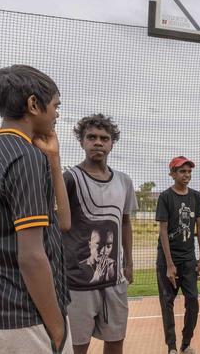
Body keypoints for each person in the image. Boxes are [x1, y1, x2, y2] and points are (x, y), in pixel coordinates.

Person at [0, 65, 73, 353]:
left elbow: (63, 222)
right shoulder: (24, 156)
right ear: (33, 104)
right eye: (55, 105)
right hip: (28, 315)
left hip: (0, 308)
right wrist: (56, 328)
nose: (56, 114)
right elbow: (31, 256)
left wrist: (53, 158)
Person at [63, 114, 138, 354]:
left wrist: (129, 262)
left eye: (104, 138)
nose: (98, 143)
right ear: (82, 141)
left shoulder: (124, 182)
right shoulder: (69, 179)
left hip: (114, 280)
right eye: (91, 137)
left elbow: (125, 223)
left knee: (116, 342)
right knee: (77, 346)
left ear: (112, 143)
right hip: (77, 282)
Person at [155, 156, 200, 354]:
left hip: (188, 259)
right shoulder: (166, 197)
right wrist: (169, 264)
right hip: (167, 259)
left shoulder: (196, 197)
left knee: (192, 301)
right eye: (182, 171)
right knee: (167, 303)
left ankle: (185, 343)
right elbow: (163, 230)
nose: (186, 175)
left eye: (188, 171)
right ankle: (172, 347)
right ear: (172, 174)